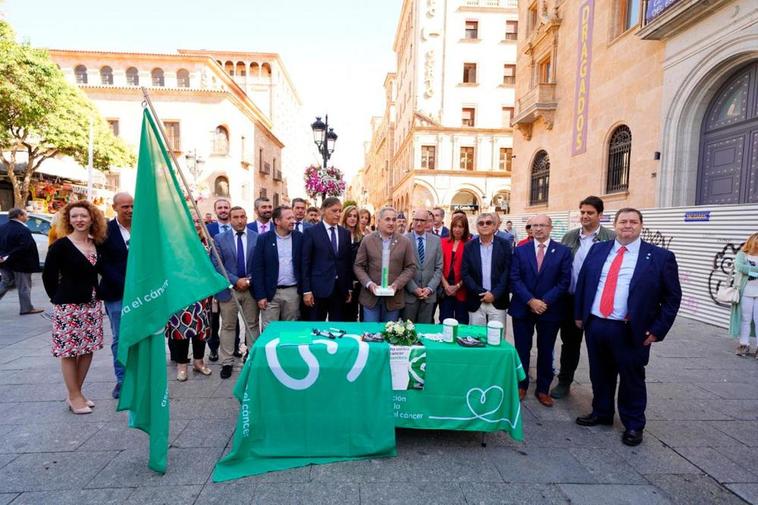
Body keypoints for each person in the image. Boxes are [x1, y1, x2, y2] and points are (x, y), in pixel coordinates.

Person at [574, 208, 681, 447]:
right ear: (615, 224)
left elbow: (672, 298)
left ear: (641, 225)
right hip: (597, 324)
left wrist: (657, 330)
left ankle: (633, 424)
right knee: (599, 373)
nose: (627, 226)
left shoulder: (660, 257)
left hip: (631, 330)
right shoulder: (598, 249)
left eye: (633, 222)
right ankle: (602, 412)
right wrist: (580, 315)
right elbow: (584, 283)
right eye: (623, 221)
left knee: (632, 377)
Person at [42, 201, 107, 414]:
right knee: (69, 352)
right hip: (68, 307)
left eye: (83, 216)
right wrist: (59, 298)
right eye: (74, 216)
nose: (79, 220)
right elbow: (48, 277)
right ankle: (75, 395)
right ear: (68, 220)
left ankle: (76, 394)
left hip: (92, 305)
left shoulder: (96, 243)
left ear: (92, 219)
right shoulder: (60, 246)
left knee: (87, 350)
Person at [551, 196, 616, 399]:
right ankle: (564, 381)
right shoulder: (570, 237)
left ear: (600, 215)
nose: (585, 216)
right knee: (570, 343)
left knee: (600, 349)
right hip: (571, 300)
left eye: (590, 213)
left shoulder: (610, 238)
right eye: (583, 212)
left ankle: (602, 393)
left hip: (598, 302)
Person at [510, 215, 572, 407]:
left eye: (542, 225)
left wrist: (543, 302)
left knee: (546, 350)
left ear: (550, 227)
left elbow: (564, 281)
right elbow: (515, 278)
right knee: (521, 349)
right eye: (534, 225)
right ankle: (521, 385)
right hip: (523, 307)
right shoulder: (520, 251)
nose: (538, 229)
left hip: (549, 309)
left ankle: (543, 389)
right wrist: (530, 300)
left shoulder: (563, 252)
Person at [212, 206, 259, 379]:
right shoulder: (219, 238)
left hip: (250, 288)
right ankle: (227, 362)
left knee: (252, 324)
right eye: (236, 217)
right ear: (230, 219)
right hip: (229, 290)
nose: (240, 220)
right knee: (228, 325)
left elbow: (260, 263)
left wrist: (248, 280)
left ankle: (253, 358)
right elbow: (217, 264)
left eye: (243, 217)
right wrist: (235, 280)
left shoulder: (256, 237)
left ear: (246, 218)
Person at [167, 215, 212, 381]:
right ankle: (182, 366)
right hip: (181, 295)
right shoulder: (174, 244)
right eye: (190, 222)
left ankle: (199, 362)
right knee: (181, 331)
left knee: (201, 331)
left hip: (202, 296)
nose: (195, 225)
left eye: (197, 222)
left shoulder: (207, 243)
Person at [354, 207, 416, 322]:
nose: (391, 223)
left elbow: (411, 267)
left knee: (389, 334)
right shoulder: (368, 240)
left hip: (393, 299)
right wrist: (369, 284)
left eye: (394, 220)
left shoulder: (404, 242)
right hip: (371, 298)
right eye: (387, 219)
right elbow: (358, 266)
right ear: (379, 221)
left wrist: (397, 284)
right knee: (371, 334)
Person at [98, 192, 132, 399]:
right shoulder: (105, 231)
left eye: (132, 206)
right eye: (125, 207)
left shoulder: (144, 228)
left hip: (144, 293)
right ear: (115, 208)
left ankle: (141, 378)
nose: (129, 210)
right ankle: (122, 380)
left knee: (143, 336)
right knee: (120, 337)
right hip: (116, 293)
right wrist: (125, 284)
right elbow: (102, 262)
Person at [302, 197, 352, 321]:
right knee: (316, 327)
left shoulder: (345, 233)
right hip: (318, 290)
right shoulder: (311, 232)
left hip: (339, 290)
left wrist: (349, 288)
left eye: (340, 211)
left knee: (338, 328)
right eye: (334, 211)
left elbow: (347, 263)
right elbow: (305, 263)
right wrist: (306, 290)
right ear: (323, 211)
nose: (338, 214)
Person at [253, 206, 302, 330]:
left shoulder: (300, 238)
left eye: (293, 217)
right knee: (270, 330)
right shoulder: (264, 239)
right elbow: (258, 268)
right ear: (277, 221)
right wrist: (260, 295)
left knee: (290, 330)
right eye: (289, 218)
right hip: (270, 294)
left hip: (292, 292)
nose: (293, 221)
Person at [461, 212, 511, 327]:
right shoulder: (469, 246)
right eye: (481, 223)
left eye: (488, 223)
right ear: (476, 227)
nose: (485, 225)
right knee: (476, 339)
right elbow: (465, 273)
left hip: (497, 300)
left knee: (497, 340)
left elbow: (507, 272)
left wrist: (494, 294)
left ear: (494, 226)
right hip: (476, 300)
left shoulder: (504, 245)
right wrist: (481, 293)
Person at [402, 208, 443, 324]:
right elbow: (401, 268)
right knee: (406, 331)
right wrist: (414, 288)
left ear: (427, 222)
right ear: (412, 221)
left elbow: (439, 268)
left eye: (422, 220)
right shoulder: (404, 240)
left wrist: (430, 288)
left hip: (428, 297)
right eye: (416, 220)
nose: (418, 223)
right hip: (409, 296)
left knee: (425, 332)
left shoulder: (436, 241)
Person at [204, 198, 233, 362]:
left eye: (226, 207)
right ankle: (214, 349)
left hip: (231, 280)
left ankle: (233, 348)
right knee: (213, 319)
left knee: (232, 317)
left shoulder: (235, 227)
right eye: (220, 207)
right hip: (214, 281)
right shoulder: (208, 228)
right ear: (215, 211)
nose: (223, 210)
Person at [0, 208, 42, 315]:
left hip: (5, 262)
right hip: (21, 262)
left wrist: (3, 256)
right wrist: (9, 256)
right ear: (19, 215)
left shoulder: (3, 227)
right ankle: (26, 308)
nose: (27, 217)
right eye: (25, 215)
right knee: (24, 285)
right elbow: (25, 246)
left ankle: (27, 307)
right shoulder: (23, 229)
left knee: (5, 283)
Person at [439, 213, 472, 324]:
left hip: (462, 288)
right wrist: (446, 286)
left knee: (461, 321)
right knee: (445, 320)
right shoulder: (443, 242)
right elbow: (438, 266)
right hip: (445, 289)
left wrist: (457, 286)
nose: (457, 229)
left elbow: (471, 270)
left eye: (460, 226)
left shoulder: (470, 244)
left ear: (465, 228)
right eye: (455, 226)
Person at [731, 233, 758, 357]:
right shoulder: (742, 255)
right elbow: (740, 267)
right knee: (745, 319)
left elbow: (745, 269)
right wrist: (754, 270)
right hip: (746, 292)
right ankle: (744, 344)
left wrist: (750, 270)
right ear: (752, 242)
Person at [341, 205, 364, 321]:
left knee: (354, 315)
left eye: (355, 216)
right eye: (349, 216)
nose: (352, 218)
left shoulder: (362, 238)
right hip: (342, 282)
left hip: (358, 282)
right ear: (344, 217)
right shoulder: (338, 235)